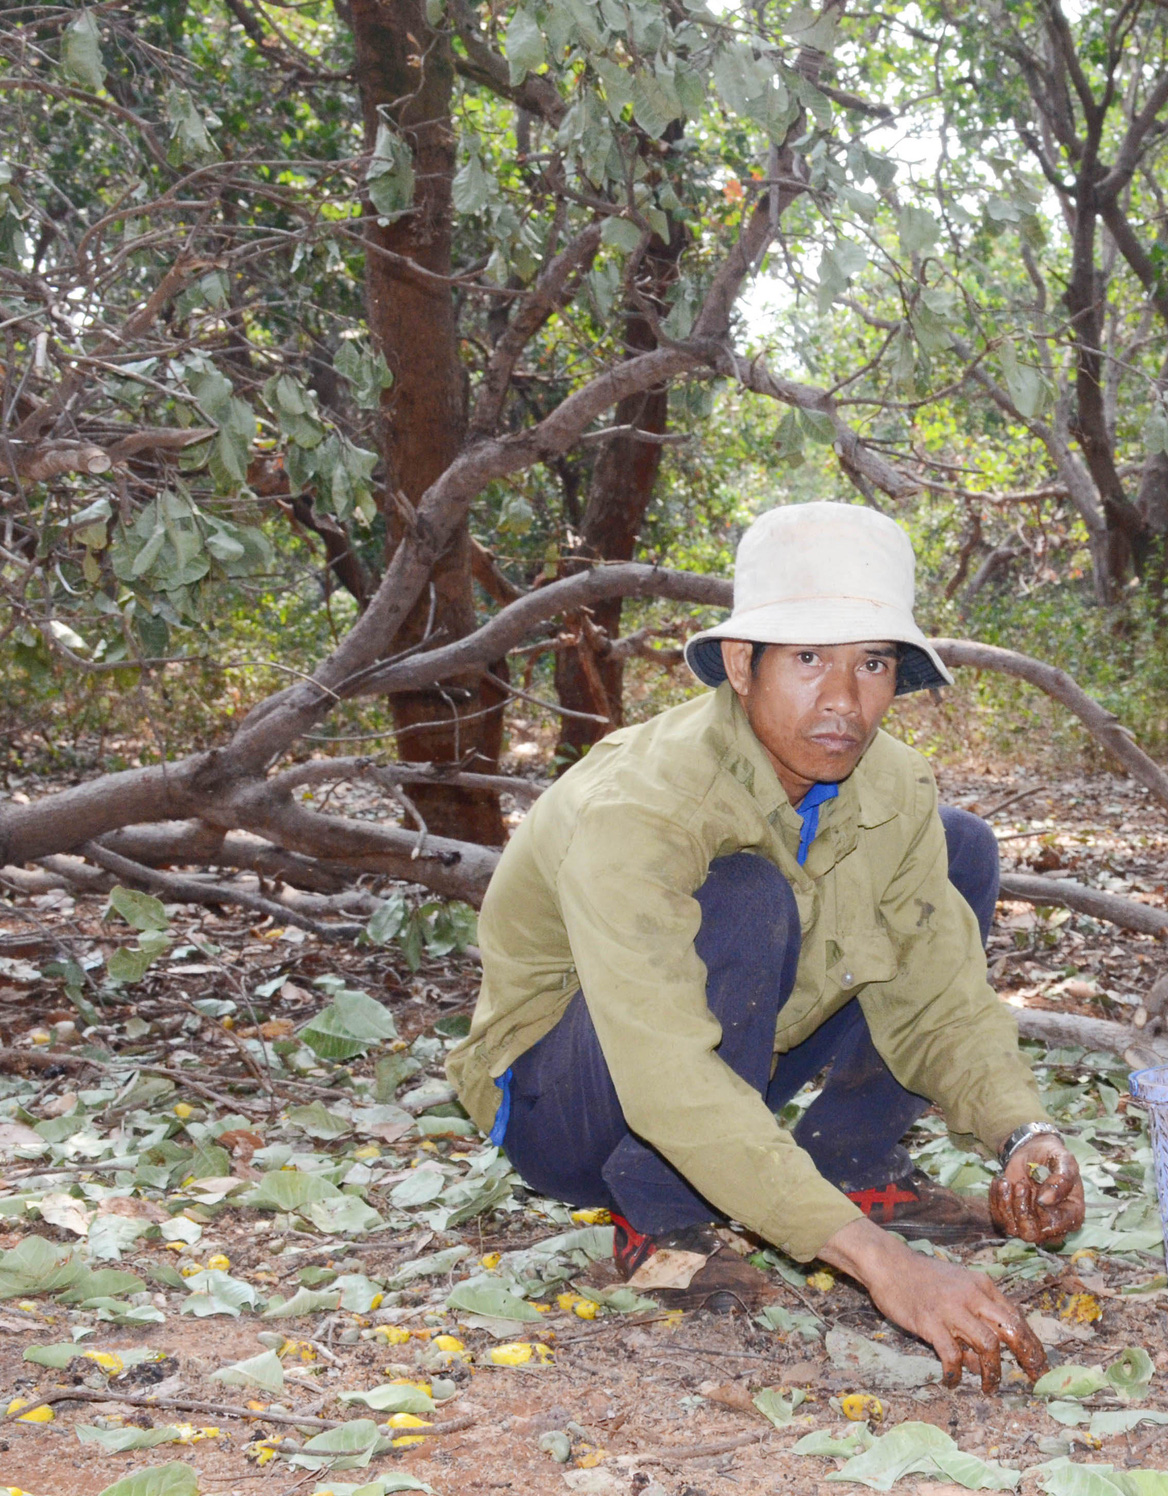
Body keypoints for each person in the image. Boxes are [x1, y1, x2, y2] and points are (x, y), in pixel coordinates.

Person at [447, 502, 1082, 1390]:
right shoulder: (647, 804)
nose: (843, 700)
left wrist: (1025, 1132)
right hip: (572, 1100)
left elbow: (938, 992)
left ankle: (850, 1164)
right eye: (810, 659)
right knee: (746, 897)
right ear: (742, 666)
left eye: (872, 664)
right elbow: (663, 1068)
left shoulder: (890, 783)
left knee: (960, 845)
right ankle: (662, 1219)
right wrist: (880, 1266)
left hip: (737, 1055)